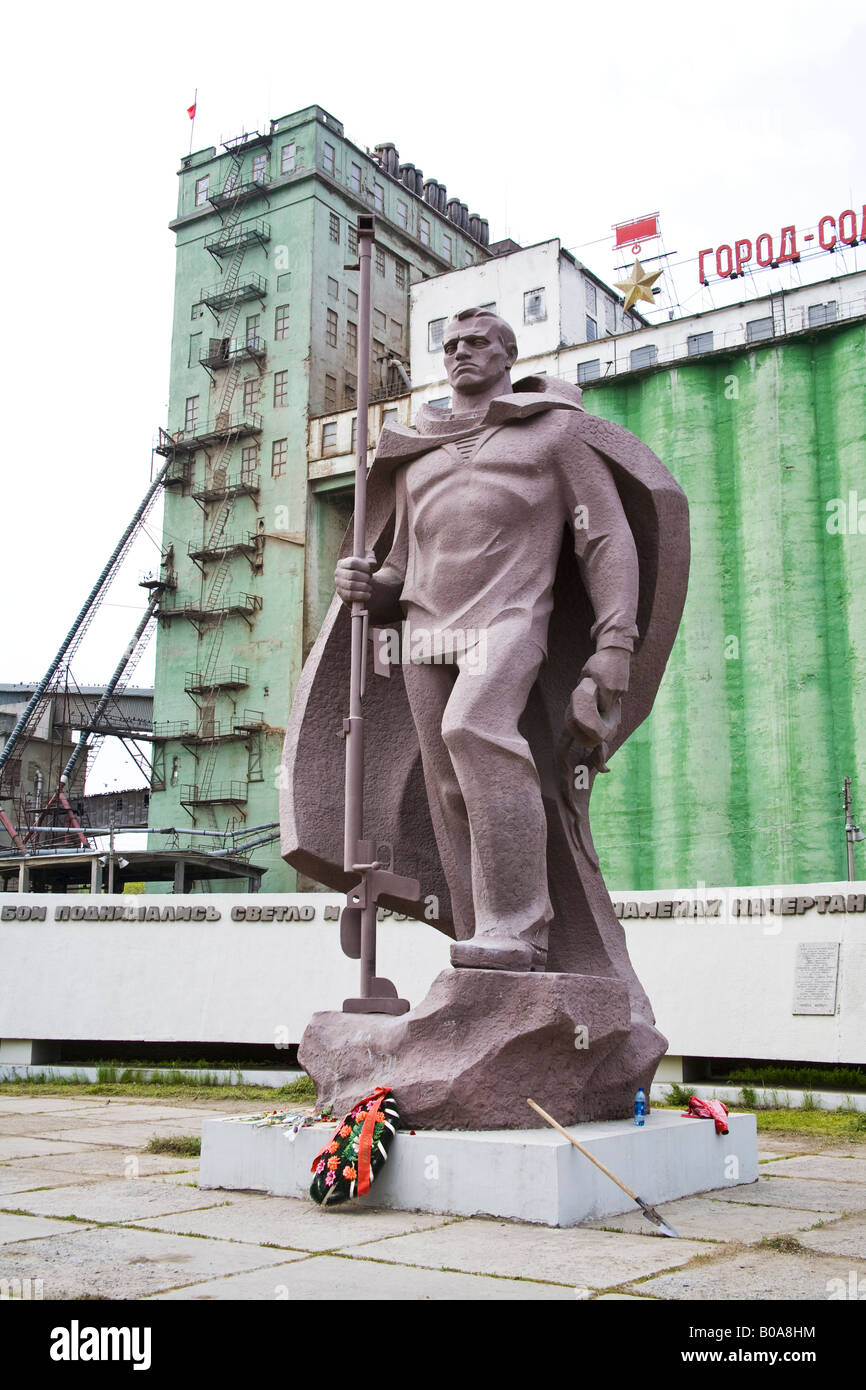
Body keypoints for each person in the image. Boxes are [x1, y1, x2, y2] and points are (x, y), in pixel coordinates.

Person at [334, 307, 640, 971]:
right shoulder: (418, 454)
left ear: (508, 356)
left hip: (510, 617)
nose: (461, 354)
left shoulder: (552, 434)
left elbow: (606, 538)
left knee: (474, 730)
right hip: (424, 628)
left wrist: (614, 644)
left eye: (477, 343)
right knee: (449, 789)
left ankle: (521, 926)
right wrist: (365, 586)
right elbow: (398, 571)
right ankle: (485, 935)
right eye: (451, 346)